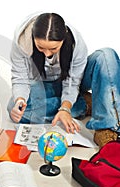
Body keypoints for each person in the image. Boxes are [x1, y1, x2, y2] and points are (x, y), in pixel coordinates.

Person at [7, 12, 120, 148]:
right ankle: (85, 104)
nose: (47, 54)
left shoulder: (76, 43)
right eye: (40, 47)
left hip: (74, 81)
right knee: (13, 108)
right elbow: (20, 78)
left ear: (63, 39)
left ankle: (107, 126)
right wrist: (20, 100)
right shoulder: (21, 42)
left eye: (53, 48)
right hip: (44, 85)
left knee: (106, 55)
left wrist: (65, 109)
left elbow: (73, 82)